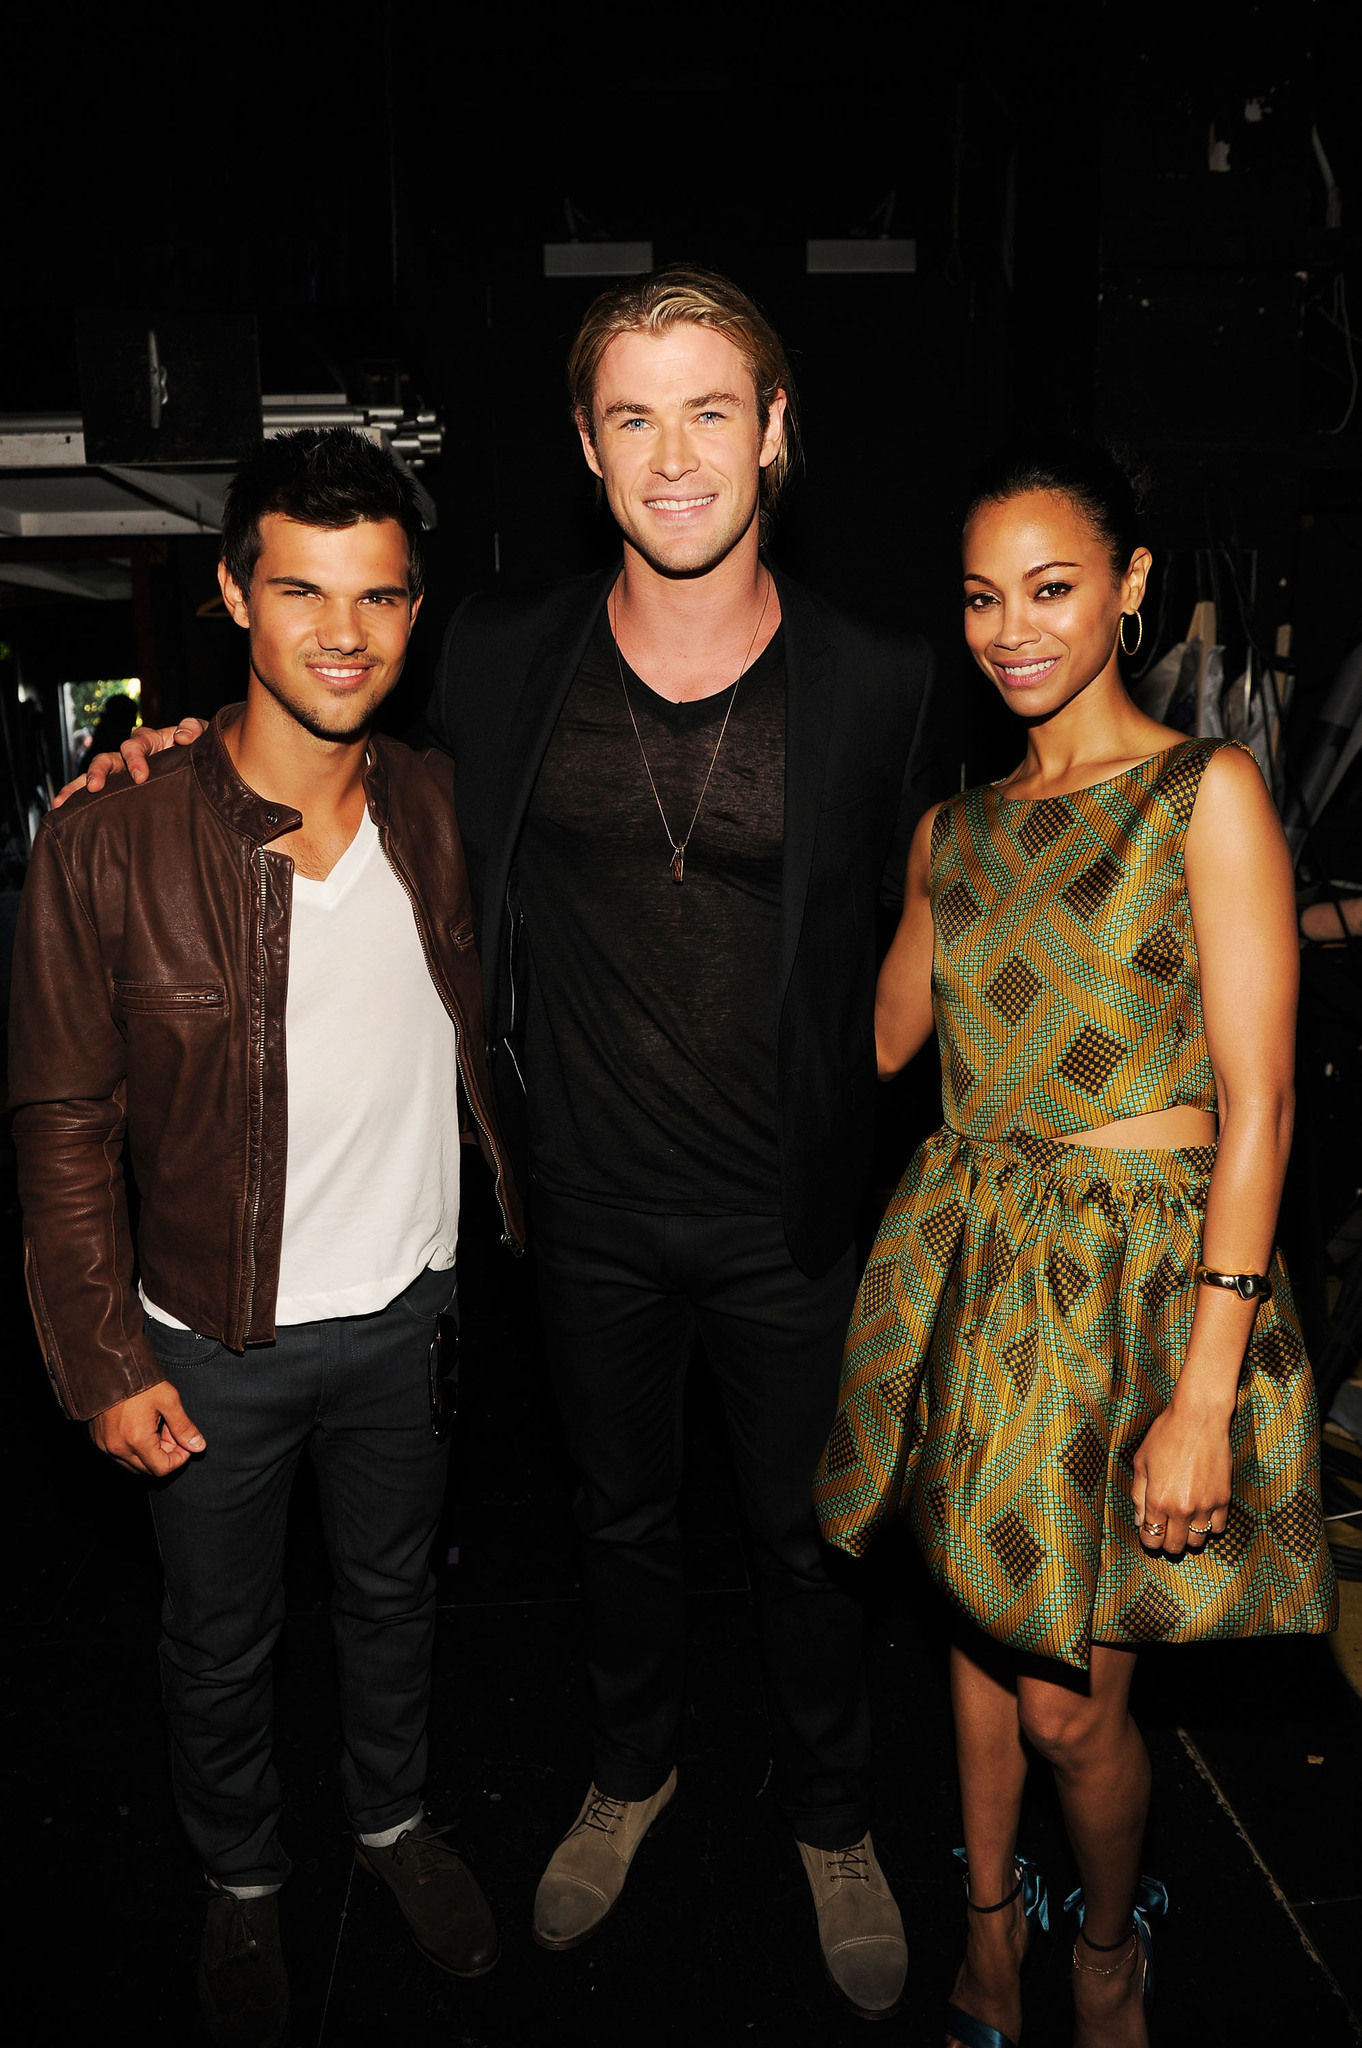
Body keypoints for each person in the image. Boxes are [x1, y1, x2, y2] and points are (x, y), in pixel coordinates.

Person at [76, 266, 937, 2022]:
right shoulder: (494, 650)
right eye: (634, 414)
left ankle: (836, 1818)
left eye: (712, 409)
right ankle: (632, 1775)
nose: (673, 452)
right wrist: (157, 757)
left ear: (776, 434)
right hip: (585, 1214)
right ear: (583, 445)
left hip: (788, 1217)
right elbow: (331, 750)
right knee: (616, 1529)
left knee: (805, 1541)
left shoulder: (881, 676)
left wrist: (851, 1105)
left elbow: (928, 909)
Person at [814, 442, 1337, 2048]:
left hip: (1137, 1284)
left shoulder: (1207, 792)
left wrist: (1205, 1387)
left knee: (1067, 1705)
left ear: (1124, 592)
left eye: (1049, 590)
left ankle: (1105, 1943)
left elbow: (1255, 1110)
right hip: (973, 1266)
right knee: (982, 1628)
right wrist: (888, 837)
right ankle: (989, 1936)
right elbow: (891, 1044)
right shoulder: (952, 829)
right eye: (981, 599)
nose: (1011, 629)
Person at [12, 428, 523, 2048]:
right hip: (203, 1339)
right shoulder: (110, 833)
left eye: (377, 596)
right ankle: (240, 1880)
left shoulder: (440, 807)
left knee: (391, 1605)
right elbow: (60, 1119)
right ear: (235, 595)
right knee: (216, 1643)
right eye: (299, 589)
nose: (342, 632)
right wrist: (97, 1357)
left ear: (417, 608)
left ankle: (388, 1824)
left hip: (412, 1321)